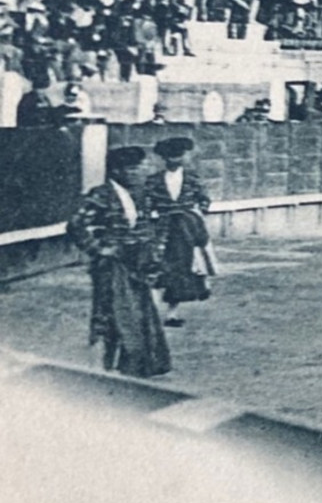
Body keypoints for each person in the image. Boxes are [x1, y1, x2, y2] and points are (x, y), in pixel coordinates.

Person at [66, 145, 171, 377]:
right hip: (112, 265)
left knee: (139, 313)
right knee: (110, 313)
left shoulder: (140, 194)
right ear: (116, 171)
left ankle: (130, 365)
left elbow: (149, 227)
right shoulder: (101, 194)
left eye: (139, 167)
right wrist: (99, 249)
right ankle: (104, 366)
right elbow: (76, 224)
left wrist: (153, 256)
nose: (139, 172)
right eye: (132, 168)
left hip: (138, 263)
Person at [144, 136, 214, 327]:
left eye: (178, 156)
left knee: (183, 268)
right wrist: (153, 216)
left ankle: (171, 314)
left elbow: (204, 200)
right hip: (162, 229)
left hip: (187, 228)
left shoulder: (192, 178)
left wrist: (196, 216)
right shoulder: (154, 180)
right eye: (171, 156)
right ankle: (152, 311)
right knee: (157, 266)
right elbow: (145, 203)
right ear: (164, 158)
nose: (175, 160)